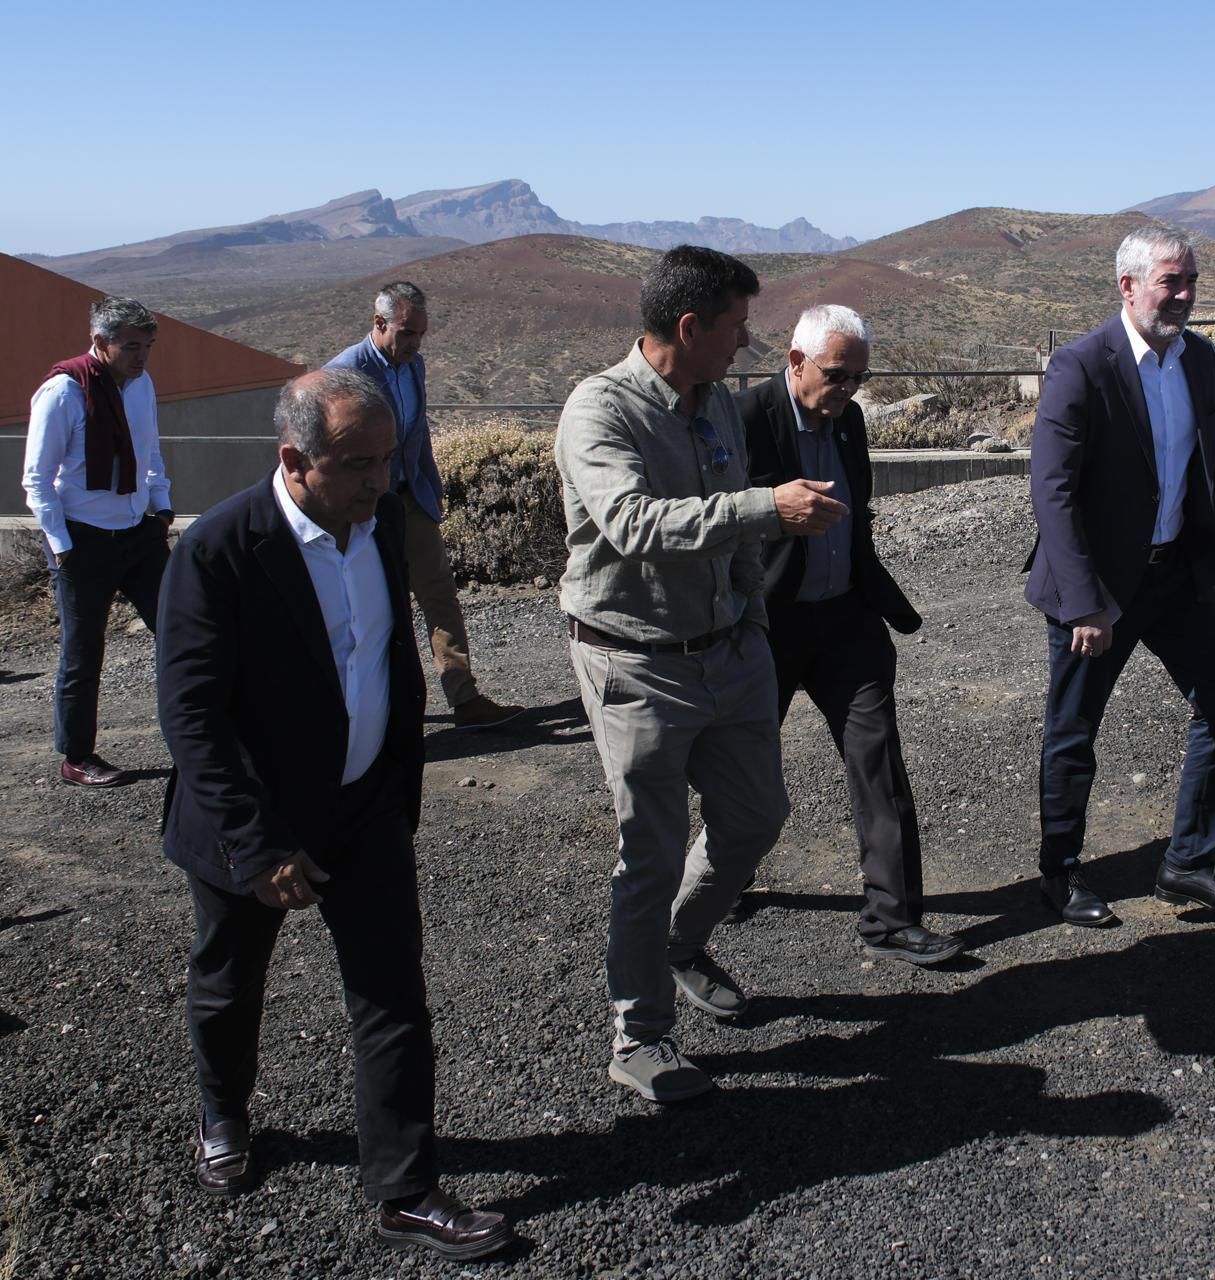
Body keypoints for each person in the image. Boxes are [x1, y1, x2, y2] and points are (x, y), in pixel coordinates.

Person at [155, 369, 512, 1259]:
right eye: (358, 464)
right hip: (254, 824)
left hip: (365, 809)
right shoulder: (220, 549)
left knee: (393, 996)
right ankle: (225, 1114)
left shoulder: (379, 521)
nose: (379, 481)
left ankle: (404, 1188)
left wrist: (395, 785)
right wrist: (256, 840)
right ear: (295, 460)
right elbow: (191, 713)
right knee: (230, 986)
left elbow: (384, 655)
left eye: (388, 460)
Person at [555, 245, 846, 1101]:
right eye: (735, 327)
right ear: (689, 327)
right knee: (649, 851)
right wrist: (768, 510)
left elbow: (730, 530)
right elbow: (633, 522)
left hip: (729, 651)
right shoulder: (597, 410)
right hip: (636, 663)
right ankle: (639, 1036)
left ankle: (677, 943)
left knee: (756, 819)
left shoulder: (711, 401)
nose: (744, 344)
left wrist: (751, 617)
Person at [1024, 227, 1215, 927]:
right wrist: (1083, 604)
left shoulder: (1196, 358)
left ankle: (1189, 861)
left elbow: (1201, 464)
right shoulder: (1082, 365)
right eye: (1171, 282)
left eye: (1190, 280)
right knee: (1074, 731)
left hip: (1174, 576)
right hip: (1096, 590)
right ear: (1128, 287)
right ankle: (1060, 873)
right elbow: (1053, 490)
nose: (1186, 295)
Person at [736, 304, 961, 966]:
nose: (847, 391)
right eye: (837, 375)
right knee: (743, 769)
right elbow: (718, 519)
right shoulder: (746, 420)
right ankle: (719, 884)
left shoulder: (850, 421)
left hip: (846, 622)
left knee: (878, 762)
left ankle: (892, 918)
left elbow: (856, 519)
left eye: (858, 379)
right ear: (795, 360)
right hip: (767, 624)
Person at [325, 281, 525, 730]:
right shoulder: (345, 375)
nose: (414, 343)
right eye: (407, 333)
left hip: (408, 499)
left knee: (439, 594)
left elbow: (419, 433)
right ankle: (379, 708)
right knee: (372, 604)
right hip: (362, 508)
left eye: (420, 334)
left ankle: (464, 697)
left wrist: (430, 485)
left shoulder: (412, 367)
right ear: (380, 323)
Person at [21, 296, 173, 787]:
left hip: (138, 533)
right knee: (83, 654)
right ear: (100, 343)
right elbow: (37, 480)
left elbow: (149, 448)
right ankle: (77, 756)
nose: (141, 357)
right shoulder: (63, 392)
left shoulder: (142, 384)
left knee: (185, 629)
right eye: (131, 346)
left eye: (147, 346)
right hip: (83, 540)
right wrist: (63, 546)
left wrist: (162, 504)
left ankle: (211, 733)